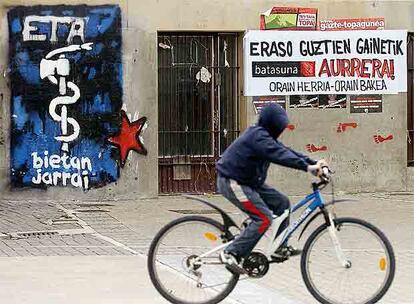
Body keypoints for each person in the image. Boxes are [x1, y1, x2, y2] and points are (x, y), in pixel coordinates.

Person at [216, 103, 326, 274]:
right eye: (279, 126)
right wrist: (307, 168)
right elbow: (280, 155)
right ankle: (231, 252)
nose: (280, 130)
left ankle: (279, 248)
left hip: (250, 182)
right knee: (264, 218)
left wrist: (312, 162)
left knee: (282, 203)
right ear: (271, 123)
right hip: (233, 182)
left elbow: (285, 150)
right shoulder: (257, 136)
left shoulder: (265, 137)